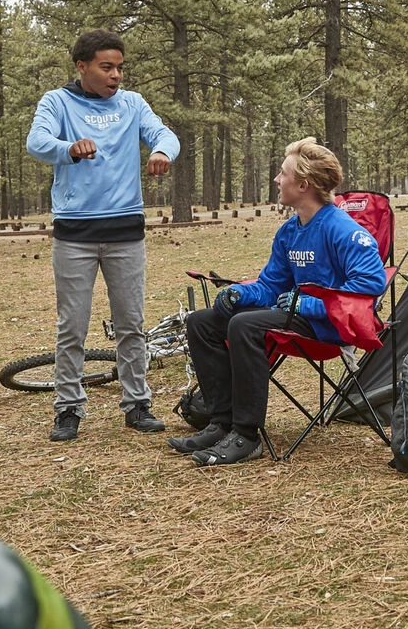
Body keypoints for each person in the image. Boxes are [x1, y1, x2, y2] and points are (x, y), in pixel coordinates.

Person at [168, 138, 386, 466]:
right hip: (293, 315)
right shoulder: (289, 231)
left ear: (303, 184)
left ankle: (246, 434)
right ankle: (221, 422)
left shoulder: (343, 231)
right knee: (202, 322)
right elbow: (272, 285)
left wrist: (307, 305)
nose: (276, 180)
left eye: (282, 174)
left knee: (245, 325)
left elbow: (369, 287)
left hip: (328, 326)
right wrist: (241, 293)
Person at [25, 29, 181, 444]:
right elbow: (37, 142)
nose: (115, 75)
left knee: (132, 323)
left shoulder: (132, 104)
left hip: (126, 233)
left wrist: (162, 151)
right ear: (82, 66)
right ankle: (69, 408)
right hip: (74, 234)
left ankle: (136, 404)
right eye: (106, 67)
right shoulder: (57, 102)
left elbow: (164, 133)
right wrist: (69, 148)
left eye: (120, 67)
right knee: (71, 326)